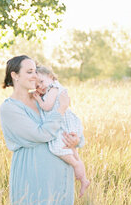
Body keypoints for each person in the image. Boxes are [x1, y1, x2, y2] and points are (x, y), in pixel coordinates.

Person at [0, 55, 84, 205]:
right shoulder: (10, 108)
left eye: (35, 71)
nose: (35, 75)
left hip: (60, 175)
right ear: (14, 75)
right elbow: (42, 134)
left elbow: (68, 126)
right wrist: (60, 109)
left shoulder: (44, 96)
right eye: (29, 72)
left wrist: (75, 141)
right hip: (32, 175)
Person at [34, 66, 90, 198]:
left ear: (51, 77)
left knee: (58, 148)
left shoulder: (53, 88)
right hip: (65, 123)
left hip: (64, 123)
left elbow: (47, 107)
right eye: (36, 86)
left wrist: (38, 99)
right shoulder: (51, 89)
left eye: (41, 82)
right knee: (73, 151)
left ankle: (76, 165)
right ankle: (84, 180)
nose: (40, 87)